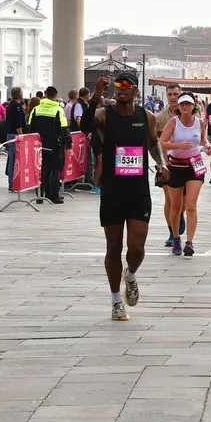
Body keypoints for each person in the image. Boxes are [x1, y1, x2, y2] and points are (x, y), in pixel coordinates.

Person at [80, 72, 168, 320]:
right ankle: (116, 300)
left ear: (135, 92)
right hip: (113, 189)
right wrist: (96, 96)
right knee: (114, 246)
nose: (121, 90)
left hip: (138, 190)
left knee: (137, 247)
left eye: (127, 86)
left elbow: (153, 143)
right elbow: (85, 127)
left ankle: (130, 275)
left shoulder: (146, 116)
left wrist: (162, 164)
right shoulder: (103, 114)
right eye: (118, 86)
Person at [159, 93, 207, 256]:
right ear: (178, 107)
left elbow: (202, 140)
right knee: (176, 208)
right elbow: (162, 142)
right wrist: (178, 145)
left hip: (194, 165)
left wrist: (207, 146)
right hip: (176, 166)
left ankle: (190, 242)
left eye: (188, 104)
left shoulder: (200, 122)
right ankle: (176, 237)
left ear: (193, 106)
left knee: (191, 205)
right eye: (182, 104)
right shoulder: (173, 122)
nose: (185, 107)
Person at [154, 84, 187, 246]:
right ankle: (171, 232)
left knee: (185, 201)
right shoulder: (160, 118)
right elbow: (154, 142)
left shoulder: (189, 116)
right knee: (169, 199)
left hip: (187, 164)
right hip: (168, 164)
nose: (173, 97)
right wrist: (159, 162)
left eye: (176, 94)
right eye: (170, 95)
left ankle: (180, 214)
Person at [28, 86, 70, 204]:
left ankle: (40, 195)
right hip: (54, 145)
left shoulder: (36, 109)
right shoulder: (58, 110)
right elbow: (64, 128)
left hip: (39, 145)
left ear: (45, 95)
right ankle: (53, 195)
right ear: (55, 96)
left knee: (41, 170)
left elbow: (30, 127)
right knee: (55, 169)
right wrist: (66, 142)